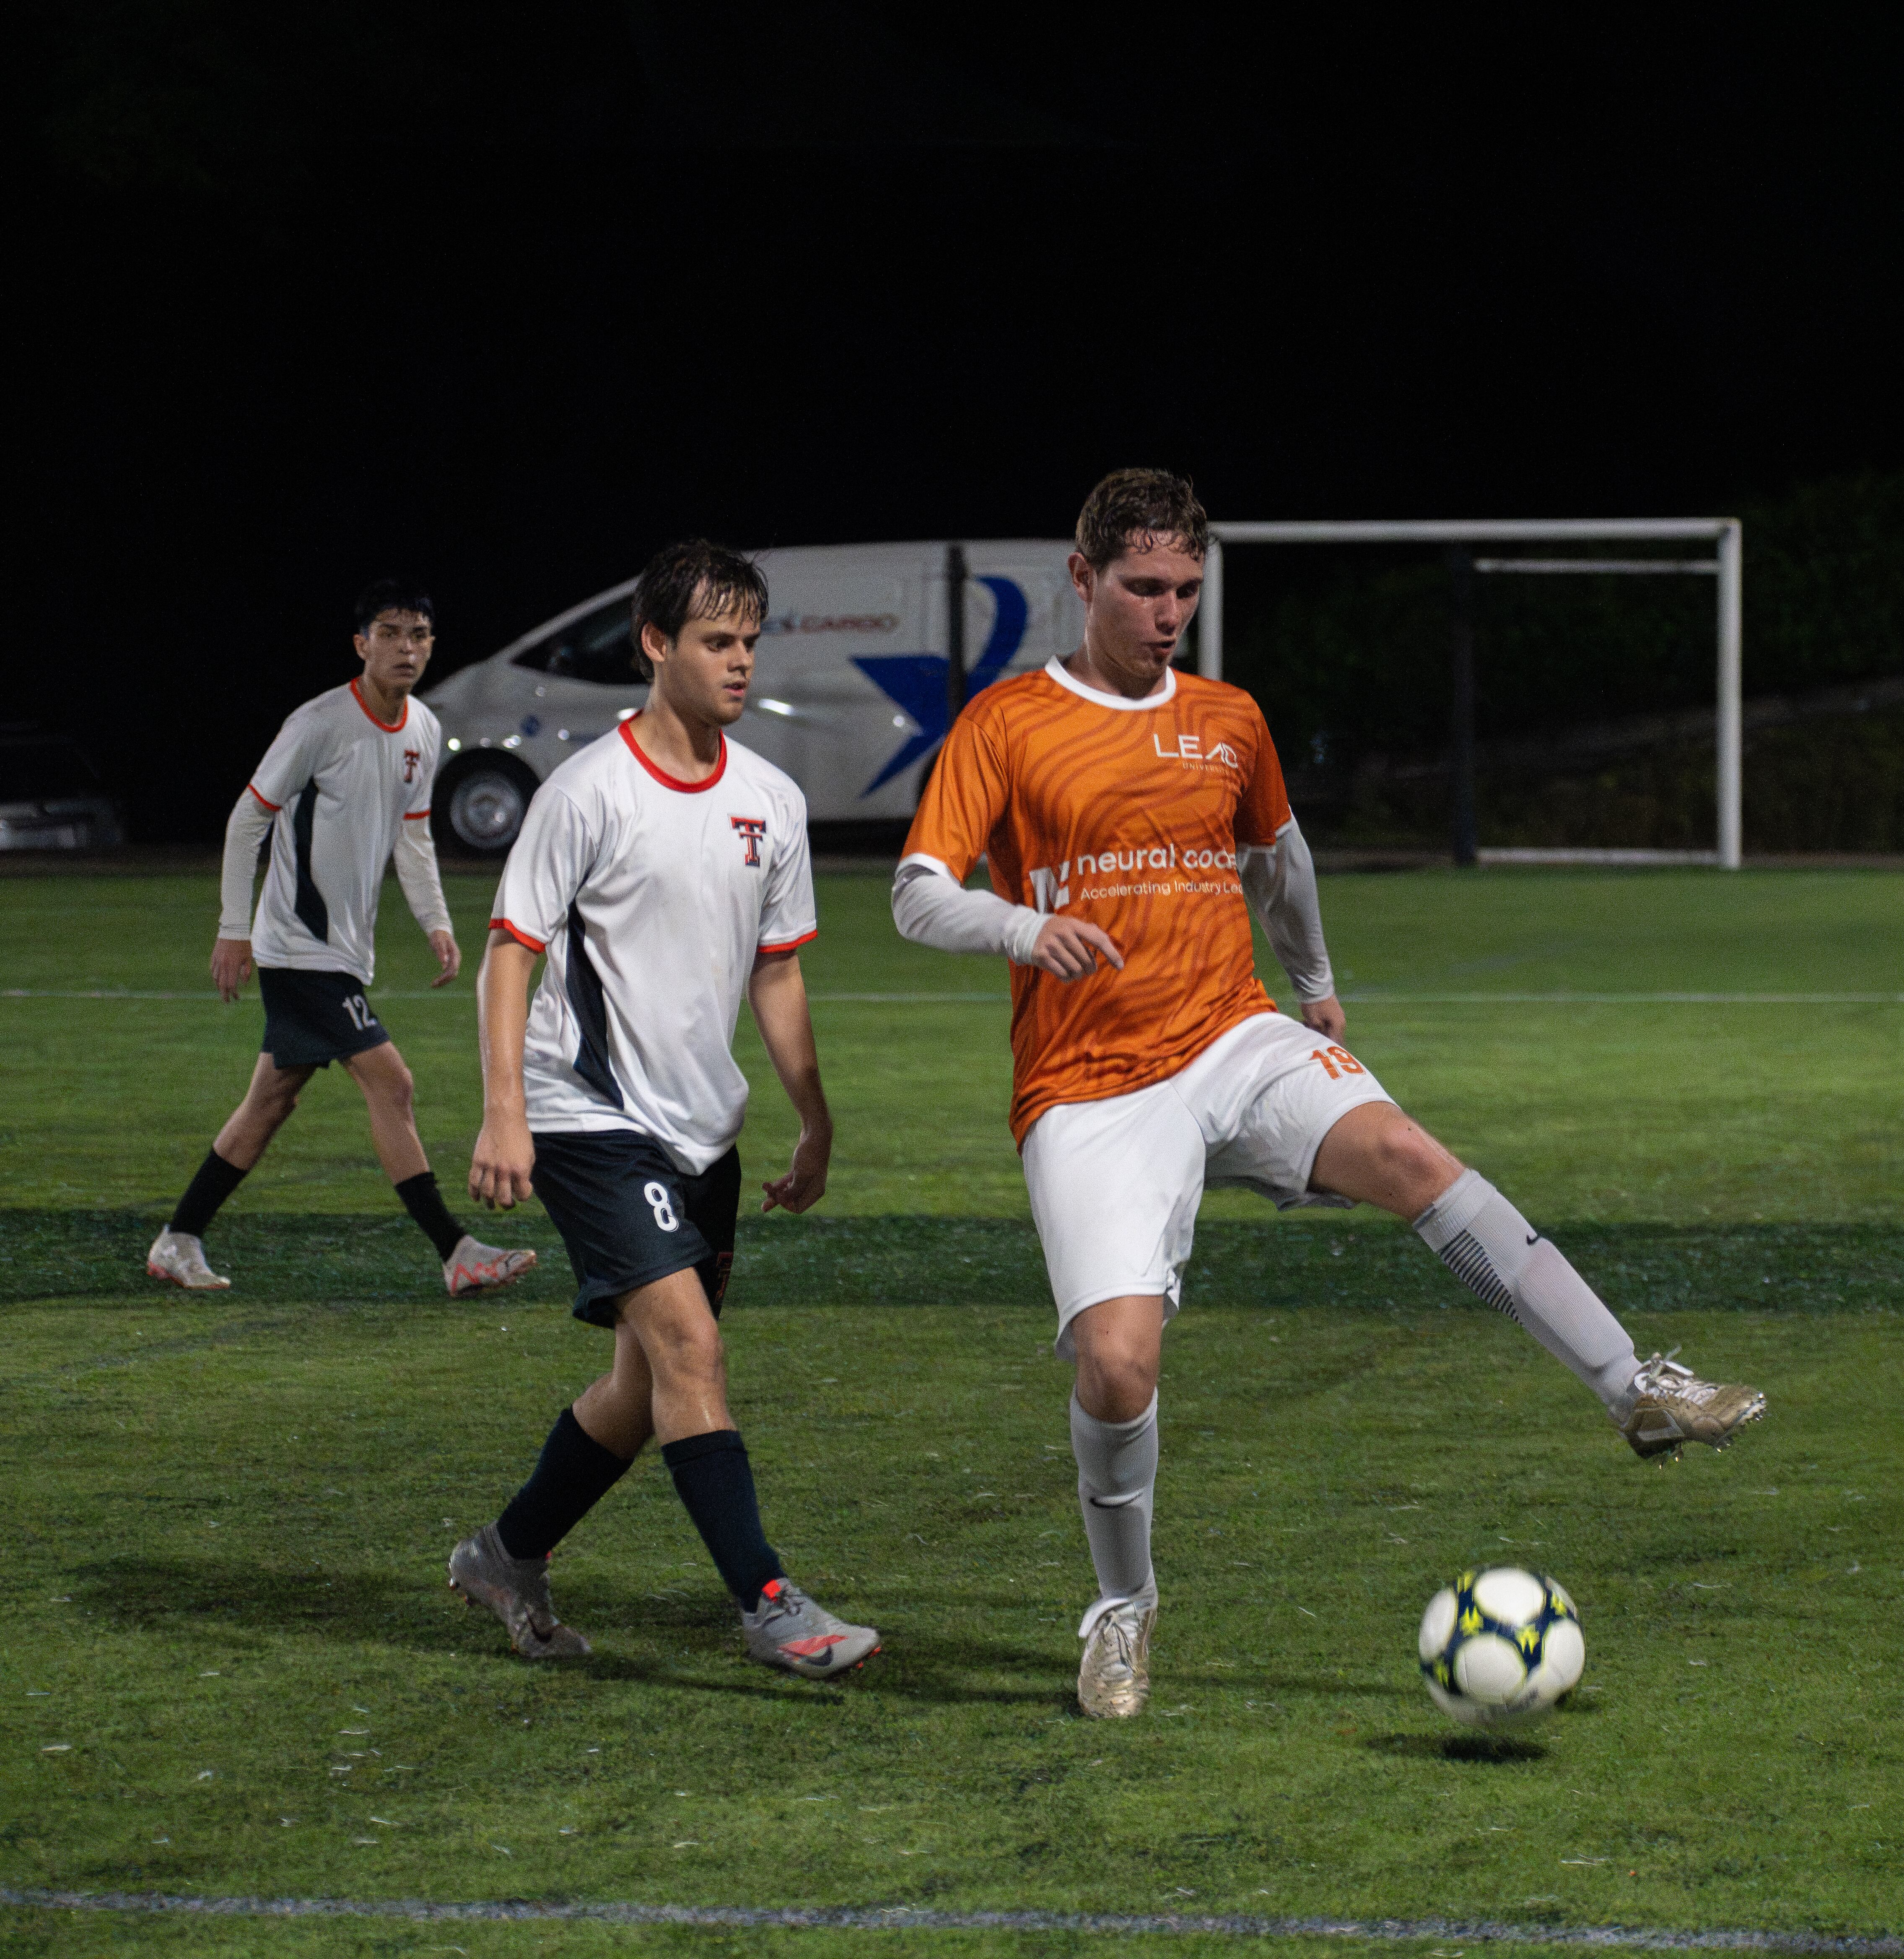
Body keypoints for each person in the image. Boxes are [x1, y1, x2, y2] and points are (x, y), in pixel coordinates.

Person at [892, 468, 1766, 1720]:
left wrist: (1315, 984)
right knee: (1118, 1368)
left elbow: (1279, 857)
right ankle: (1122, 1609)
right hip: (1089, 1086)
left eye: (1184, 590)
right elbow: (918, 890)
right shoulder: (1008, 722)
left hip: (1232, 1033)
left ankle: (1638, 1389)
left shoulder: (1229, 717)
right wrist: (1021, 934)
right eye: (1142, 586)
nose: (1165, 611)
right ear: (1081, 580)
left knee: (1414, 1159)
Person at [451, 538, 879, 1679]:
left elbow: (776, 973)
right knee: (694, 1347)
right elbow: (511, 955)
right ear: (656, 645)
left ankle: (507, 1553)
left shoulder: (771, 802)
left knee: (644, 1391)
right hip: (586, 1116)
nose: (739, 663)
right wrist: (506, 1113)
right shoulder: (589, 790)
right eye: (715, 641)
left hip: (705, 1134)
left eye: (750, 641)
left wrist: (815, 1115)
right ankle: (771, 1602)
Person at [147, 580, 534, 1299]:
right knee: (393, 1083)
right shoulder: (319, 723)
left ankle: (179, 1238)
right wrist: (235, 929)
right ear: (362, 644)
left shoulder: (421, 727)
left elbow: (413, 835)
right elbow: (246, 820)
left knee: (271, 1102)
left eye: (419, 635)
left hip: (340, 952)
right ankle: (457, 1252)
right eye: (391, 634)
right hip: (299, 948)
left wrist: (436, 921)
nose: (407, 648)